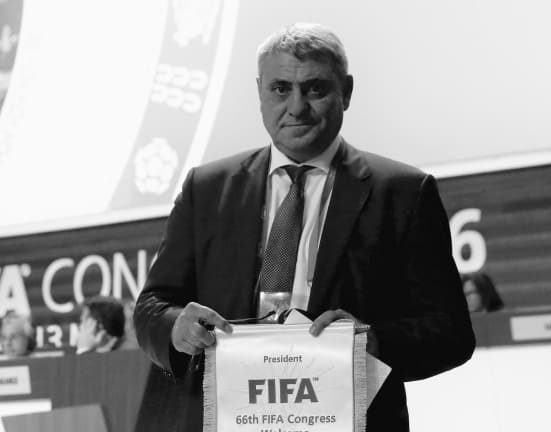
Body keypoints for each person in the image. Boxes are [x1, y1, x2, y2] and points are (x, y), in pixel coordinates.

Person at [133, 23, 475, 432]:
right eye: (280, 89)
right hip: (228, 418)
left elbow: (451, 332)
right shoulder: (206, 189)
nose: (296, 107)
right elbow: (152, 306)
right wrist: (176, 329)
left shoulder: (403, 192)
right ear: (259, 92)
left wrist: (373, 342)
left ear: (346, 91)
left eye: (314, 89)